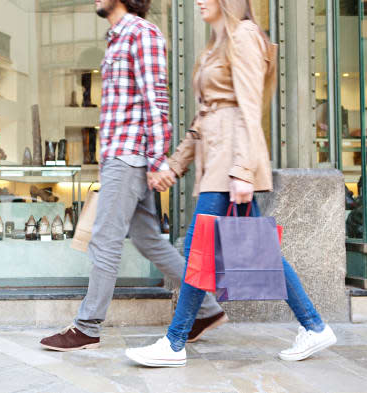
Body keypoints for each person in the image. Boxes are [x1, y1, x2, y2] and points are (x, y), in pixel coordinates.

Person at [125, 0, 337, 368]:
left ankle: (174, 342)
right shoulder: (216, 46)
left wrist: (243, 170)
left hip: (230, 165)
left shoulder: (245, 36)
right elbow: (204, 117)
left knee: (197, 251)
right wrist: (175, 166)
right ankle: (314, 325)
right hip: (218, 163)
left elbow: (250, 107)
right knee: (260, 253)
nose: (198, 2)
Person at [39, 0, 227, 352]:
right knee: (149, 240)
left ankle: (87, 326)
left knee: (105, 239)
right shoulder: (118, 38)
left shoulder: (142, 33)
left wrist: (157, 161)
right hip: (120, 156)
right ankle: (206, 308)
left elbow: (155, 102)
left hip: (130, 158)